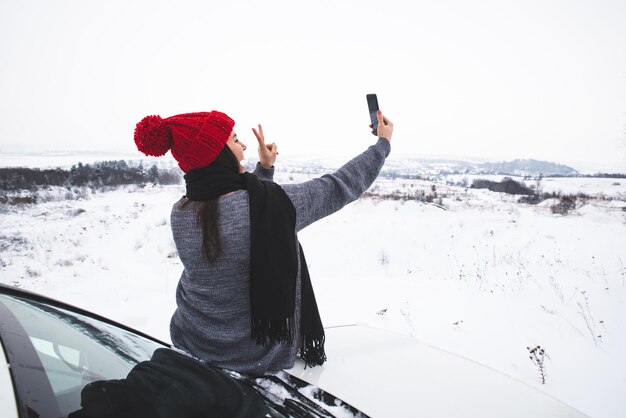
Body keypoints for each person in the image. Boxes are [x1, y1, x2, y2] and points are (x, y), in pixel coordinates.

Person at [134, 108, 393, 376]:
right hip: (251, 354)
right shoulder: (275, 204)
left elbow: (240, 215)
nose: (244, 145)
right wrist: (382, 145)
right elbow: (339, 185)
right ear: (217, 154)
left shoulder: (182, 211)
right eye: (235, 140)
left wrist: (264, 170)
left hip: (193, 338)